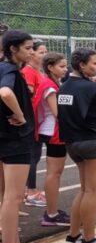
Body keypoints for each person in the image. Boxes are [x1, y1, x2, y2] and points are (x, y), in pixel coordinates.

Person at [58, 48, 96, 243]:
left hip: (73, 143)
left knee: (84, 190)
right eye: (94, 63)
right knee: (93, 191)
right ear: (81, 65)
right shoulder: (95, 88)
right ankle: (90, 238)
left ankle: (73, 235)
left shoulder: (64, 87)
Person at [0, 30, 41, 243]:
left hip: (6, 138)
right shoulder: (11, 71)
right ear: (13, 49)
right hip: (14, 141)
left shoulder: (5, 69)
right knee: (13, 198)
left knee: (8, 196)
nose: (31, 52)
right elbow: (4, 92)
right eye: (27, 48)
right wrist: (20, 115)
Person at [37, 53, 71, 228]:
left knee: (55, 173)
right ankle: (51, 214)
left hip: (54, 131)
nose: (65, 69)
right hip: (54, 132)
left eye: (66, 66)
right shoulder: (49, 85)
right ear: (50, 67)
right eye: (62, 66)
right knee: (54, 173)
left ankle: (52, 211)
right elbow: (58, 113)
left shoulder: (53, 83)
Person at [23, 41, 47, 208]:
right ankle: (31, 192)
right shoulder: (28, 72)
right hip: (32, 121)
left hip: (39, 120)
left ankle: (28, 189)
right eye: (41, 52)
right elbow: (28, 98)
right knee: (32, 155)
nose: (44, 55)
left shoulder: (40, 72)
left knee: (35, 156)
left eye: (45, 52)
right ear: (32, 54)